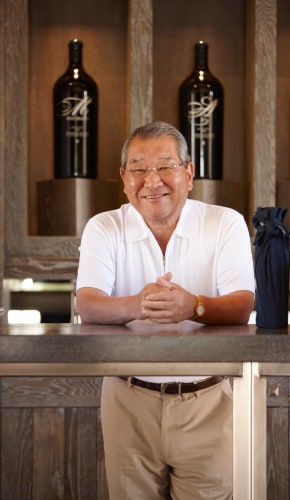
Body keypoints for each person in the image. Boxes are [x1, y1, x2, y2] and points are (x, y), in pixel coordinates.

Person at [76, 121, 255, 499]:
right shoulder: (103, 227)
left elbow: (243, 304)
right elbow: (87, 304)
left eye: (165, 166)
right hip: (127, 399)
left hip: (210, 400)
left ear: (189, 173)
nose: (151, 180)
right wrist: (139, 304)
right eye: (139, 168)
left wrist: (194, 306)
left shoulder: (225, 223)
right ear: (124, 178)